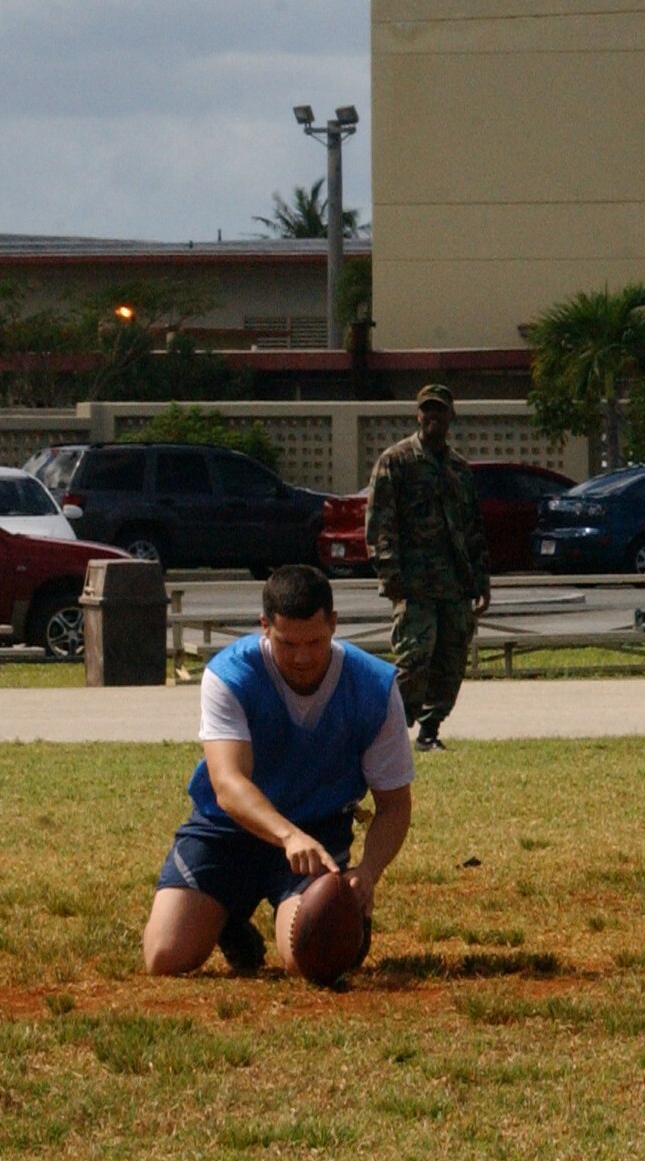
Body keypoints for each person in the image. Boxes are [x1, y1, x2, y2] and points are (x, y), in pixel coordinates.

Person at [142, 565, 414, 978]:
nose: (302, 657)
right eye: (288, 643)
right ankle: (228, 917)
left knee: (308, 961)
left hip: (317, 833)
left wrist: (367, 872)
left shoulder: (374, 686)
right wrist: (287, 836)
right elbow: (228, 785)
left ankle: (342, 918)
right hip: (227, 830)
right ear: (264, 626)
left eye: (315, 642)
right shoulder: (230, 675)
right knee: (165, 958)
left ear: (335, 624)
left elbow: (394, 804)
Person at [366, 383, 492, 751]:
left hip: (454, 581)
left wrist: (482, 580)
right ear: (418, 415)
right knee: (413, 659)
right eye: (427, 410)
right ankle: (391, 734)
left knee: (451, 659)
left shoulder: (458, 468)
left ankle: (430, 731)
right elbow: (379, 523)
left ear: (452, 416)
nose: (433, 416)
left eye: (440, 410)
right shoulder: (397, 461)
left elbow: (472, 527)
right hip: (414, 582)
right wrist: (390, 573)